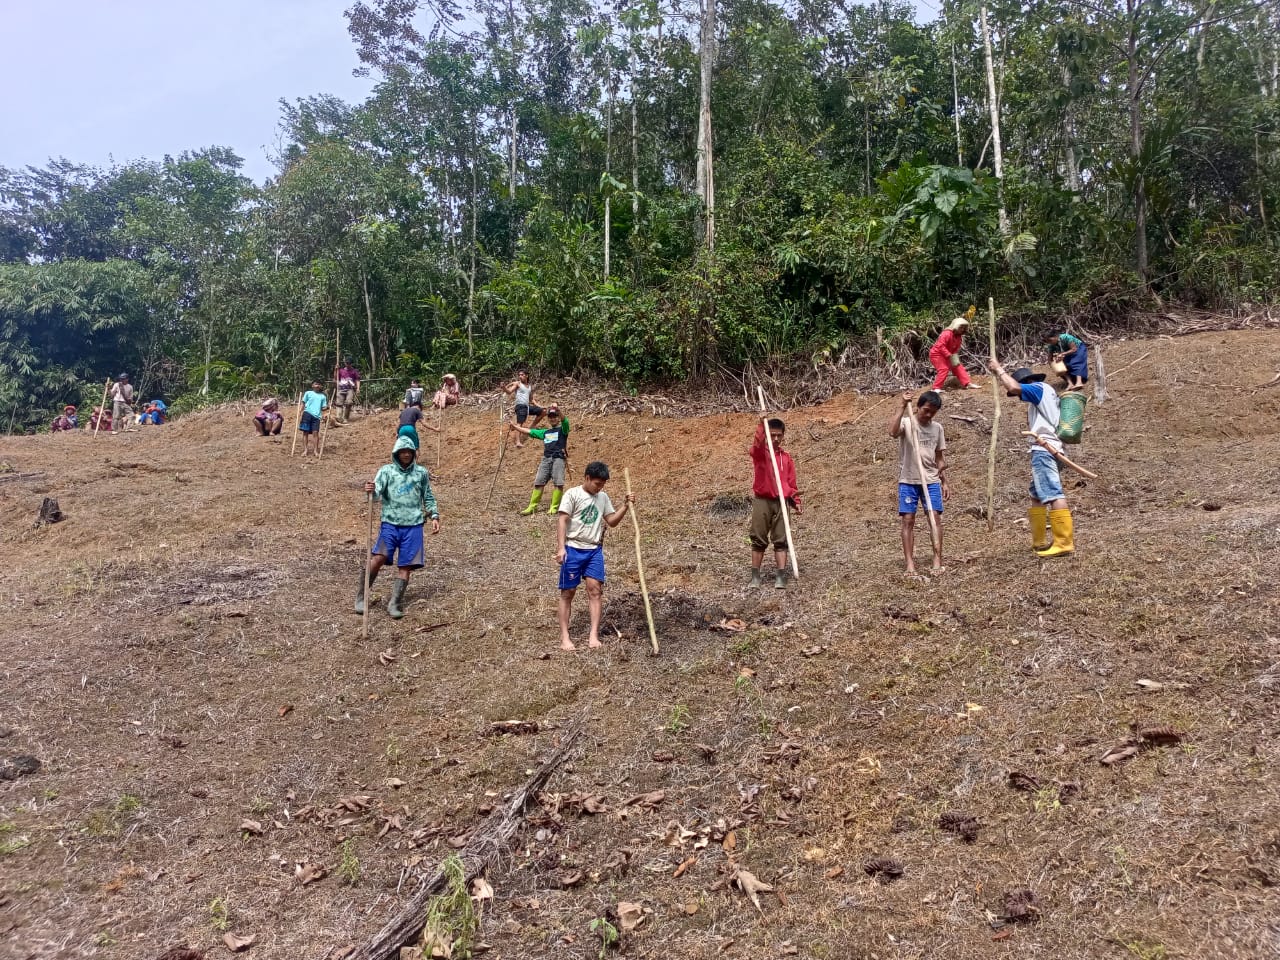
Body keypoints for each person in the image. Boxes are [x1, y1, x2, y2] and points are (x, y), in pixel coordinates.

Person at [988, 358, 1075, 558]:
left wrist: (999, 369)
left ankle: (1063, 542)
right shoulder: (1047, 394)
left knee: (1053, 493)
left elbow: (1013, 386)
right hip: (1054, 447)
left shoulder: (1037, 388)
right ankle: (1039, 541)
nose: (1018, 397)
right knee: (1036, 494)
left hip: (1045, 448)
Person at [355, 435, 441, 620]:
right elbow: (376, 494)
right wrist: (371, 490)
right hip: (390, 524)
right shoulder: (386, 471)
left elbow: (428, 496)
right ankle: (362, 597)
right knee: (379, 557)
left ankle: (394, 602)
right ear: (396, 453)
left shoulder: (421, 473)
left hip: (413, 526)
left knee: (406, 565)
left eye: (408, 452)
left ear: (413, 453)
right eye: (402, 452)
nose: (405, 455)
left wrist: (434, 515)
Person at [555, 461, 634, 650]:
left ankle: (593, 636)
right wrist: (561, 548)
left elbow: (612, 521)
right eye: (597, 483)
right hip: (573, 548)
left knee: (595, 591)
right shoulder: (572, 494)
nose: (600, 487)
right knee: (568, 592)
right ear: (587, 478)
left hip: (594, 550)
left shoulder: (603, 497)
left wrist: (625, 506)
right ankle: (565, 637)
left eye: (603, 484)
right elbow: (562, 520)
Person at [889, 390, 949, 574]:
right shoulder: (907, 422)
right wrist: (901, 405)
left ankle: (937, 560)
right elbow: (892, 432)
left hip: (931, 480)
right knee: (908, 520)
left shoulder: (937, 428)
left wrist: (944, 480)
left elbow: (939, 457)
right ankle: (909, 565)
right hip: (908, 480)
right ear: (918, 407)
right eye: (925, 410)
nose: (929, 414)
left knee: (934, 518)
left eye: (933, 412)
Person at [749, 417, 802, 590]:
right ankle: (755, 577)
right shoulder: (760, 454)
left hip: (781, 502)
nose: (776, 439)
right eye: (772, 435)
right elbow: (757, 444)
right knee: (758, 538)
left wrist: (796, 501)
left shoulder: (786, 458)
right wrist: (761, 424)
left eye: (779, 435)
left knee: (781, 539)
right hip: (762, 500)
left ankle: (781, 576)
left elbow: (791, 483)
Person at [509, 405, 570, 515]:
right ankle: (532, 507)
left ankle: (554, 507)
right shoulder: (545, 432)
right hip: (546, 459)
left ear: (557, 417)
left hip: (558, 459)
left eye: (555, 416)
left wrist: (559, 410)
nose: (553, 419)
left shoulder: (563, 430)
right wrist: (515, 426)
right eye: (550, 417)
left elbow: (565, 420)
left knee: (558, 483)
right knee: (539, 482)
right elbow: (529, 431)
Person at [929, 314, 982, 391]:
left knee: (958, 366)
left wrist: (954, 358)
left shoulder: (959, 337)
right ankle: (936, 388)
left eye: (964, 328)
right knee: (944, 369)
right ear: (955, 326)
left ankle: (967, 383)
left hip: (949, 354)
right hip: (937, 354)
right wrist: (949, 355)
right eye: (961, 327)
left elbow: (955, 349)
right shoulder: (946, 333)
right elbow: (940, 346)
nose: (962, 329)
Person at [503, 370, 544, 447]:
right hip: (520, 406)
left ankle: (532, 426)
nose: (520, 376)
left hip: (527, 407)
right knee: (520, 423)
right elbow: (509, 391)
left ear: (526, 376)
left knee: (542, 411)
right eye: (519, 375)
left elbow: (531, 399)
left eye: (522, 375)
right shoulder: (518, 384)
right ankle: (518, 442)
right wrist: (504, 387)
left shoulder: (529, 386)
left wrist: (540, 406)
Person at [299, 381, 328, 457]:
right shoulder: (308, 393)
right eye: (316, 384)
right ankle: (305, 450)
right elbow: (303, 403)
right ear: (312, 386)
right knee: (305, 432)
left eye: (319, 384)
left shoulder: (323, 396)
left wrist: (328, 407)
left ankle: (315, 451)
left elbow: (323, 408)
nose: (317, 385)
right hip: (307, 414)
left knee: (315, 433)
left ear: (320, 386)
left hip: (317, 416)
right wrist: (300, 411)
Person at [336, 358, 361, 423]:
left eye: (349, 364)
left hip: (350, 389)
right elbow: (336, 377)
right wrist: (335, 370)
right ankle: (339, 417)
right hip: (341, 389)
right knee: (339, 403)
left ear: (351, 364)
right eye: (346, 363)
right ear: (345, 363)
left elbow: (357, 380)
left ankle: (345, 418)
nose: (347, 365)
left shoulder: (354, 371)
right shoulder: (341, 370)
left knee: (349, 402)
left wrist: (358, 388)